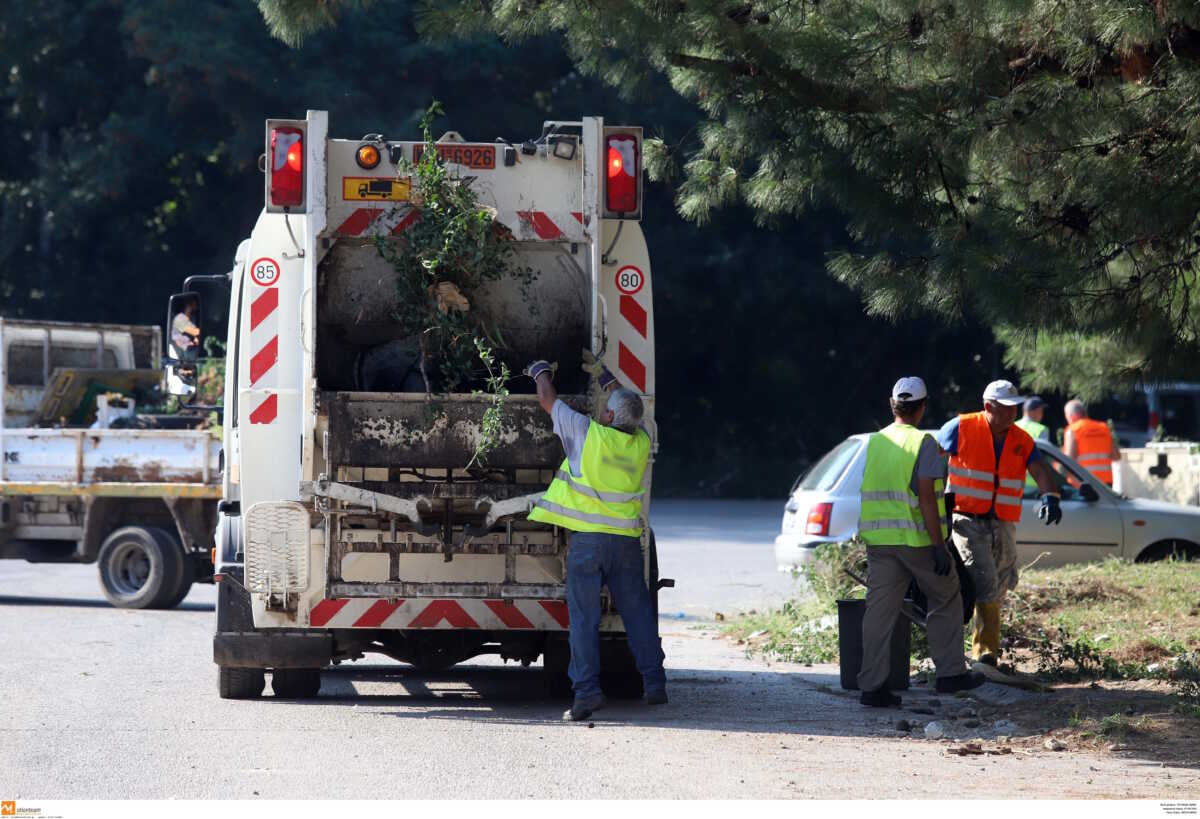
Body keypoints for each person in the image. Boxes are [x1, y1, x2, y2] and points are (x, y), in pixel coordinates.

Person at [524, 357, 666, 721]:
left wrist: (540, 371)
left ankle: (587, 693)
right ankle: (655, 684)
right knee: (637, 614)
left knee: (584, 620)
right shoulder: (641, 441)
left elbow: (546, 400)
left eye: (606, 409)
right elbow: (628, 405)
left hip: (589, 545)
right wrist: (603, 375)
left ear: (607, 417)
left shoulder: (587, 433)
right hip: (624, 545)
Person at [857, 377, 984, 707]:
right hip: (915, 542)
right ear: (923, 407)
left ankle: (872, 687)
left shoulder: (876, 441)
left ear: (892, 404)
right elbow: (927, 497)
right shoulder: (923, 443)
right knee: (946, 596)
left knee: (879, 612)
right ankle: (951, 674)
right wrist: (939, 546)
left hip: (880, 542)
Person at [937, 380, 1063, 667]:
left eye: (1015, 409)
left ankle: (982, 642)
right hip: (966, 519)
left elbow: (1039, 470)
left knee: (1003, 581)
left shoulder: (1021, 439)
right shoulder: (960, 428)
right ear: (988, 407)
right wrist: (932, 502)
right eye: (1005, 409)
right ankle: (984, 651)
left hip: (1003, 522)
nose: (1011, 415)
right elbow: (932, 462)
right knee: (985, 579)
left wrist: (1050, 497)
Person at [1063, 399, 1120, 486]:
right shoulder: (1104, 428)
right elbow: (1116, 456)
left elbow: (1068, 460)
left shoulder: (1073, 430)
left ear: (1071, 416)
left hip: (1082, 483)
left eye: (1066, 416)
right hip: (1105, 483)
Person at [1015, 397, 1050, 490]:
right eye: (1041, 411)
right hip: (1034, 485)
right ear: (1036, 411)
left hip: (1012, 482)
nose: (1041, 415)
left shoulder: (1012, 426)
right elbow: (1044, 458)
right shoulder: (1041, 429)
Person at [170, 298, 201, 362]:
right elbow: (195, 332)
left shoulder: (192, 318)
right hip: (182, 354)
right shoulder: (179, 318)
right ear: (188, 304)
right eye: (195, 302)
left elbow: (195, 337)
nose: (197, 305)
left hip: (190, 350)